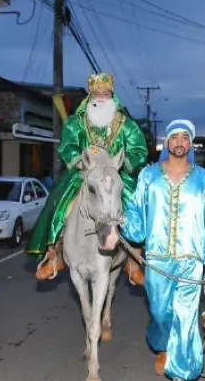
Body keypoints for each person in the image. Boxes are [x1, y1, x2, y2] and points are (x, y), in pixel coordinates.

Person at [121, 119, 205, 381]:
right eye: (174, 137)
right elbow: (136, 215)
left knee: (186, 318)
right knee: (161, 313)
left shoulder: (204, 178)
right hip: (156, 260)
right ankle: (161, 344)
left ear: (190, 144)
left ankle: (180, 378)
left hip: (191, 260)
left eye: (185, 138)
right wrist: (121, 222)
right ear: (167, 143)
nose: (180, 142)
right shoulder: (148, 176)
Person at [27, 72, 148, 284]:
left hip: (115, 173)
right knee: (59, 201)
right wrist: (78, 160)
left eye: (105, 93)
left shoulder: (127, 125)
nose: (101, 96)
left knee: (133, 202)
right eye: (97, 93)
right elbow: (68, 145)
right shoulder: (76, 122)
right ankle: (55, 252)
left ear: (112, 95)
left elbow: (138, 148)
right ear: (90, 96)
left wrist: (123, 163)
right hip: (84, 173)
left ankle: (133, 256)